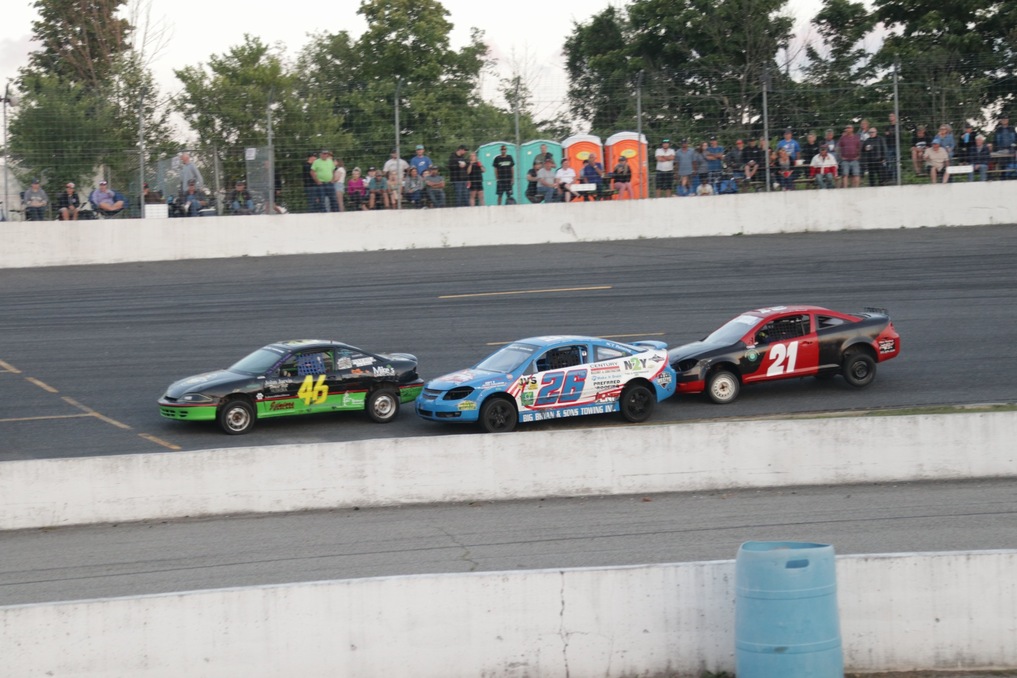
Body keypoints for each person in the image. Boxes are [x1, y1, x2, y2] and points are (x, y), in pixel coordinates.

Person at [836, 124, 862, 188]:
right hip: (845, 160)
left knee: (856, 174)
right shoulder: (842, 138)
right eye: (846, 128)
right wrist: (840, 156)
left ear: (852, 129)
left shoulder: (856, 138)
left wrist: (859, 156)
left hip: (855, 160)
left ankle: (856, 189)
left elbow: (859, 147)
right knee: (845, 175)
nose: (847, 129)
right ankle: (845, 189)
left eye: (849, 128)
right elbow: (838, 148)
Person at [883, 113, 901, 183]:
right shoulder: (887, 127)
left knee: (897, 162)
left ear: (895, 117)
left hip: (896, 146)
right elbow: (886, 136)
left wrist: (890, 133)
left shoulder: (898, 126)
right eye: (889, 116)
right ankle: (890, 178)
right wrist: (891, 133)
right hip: (889, 147)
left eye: (892, 116)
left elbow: (898, 135)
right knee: (889, 162)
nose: (890, 117)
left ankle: (896, 178)